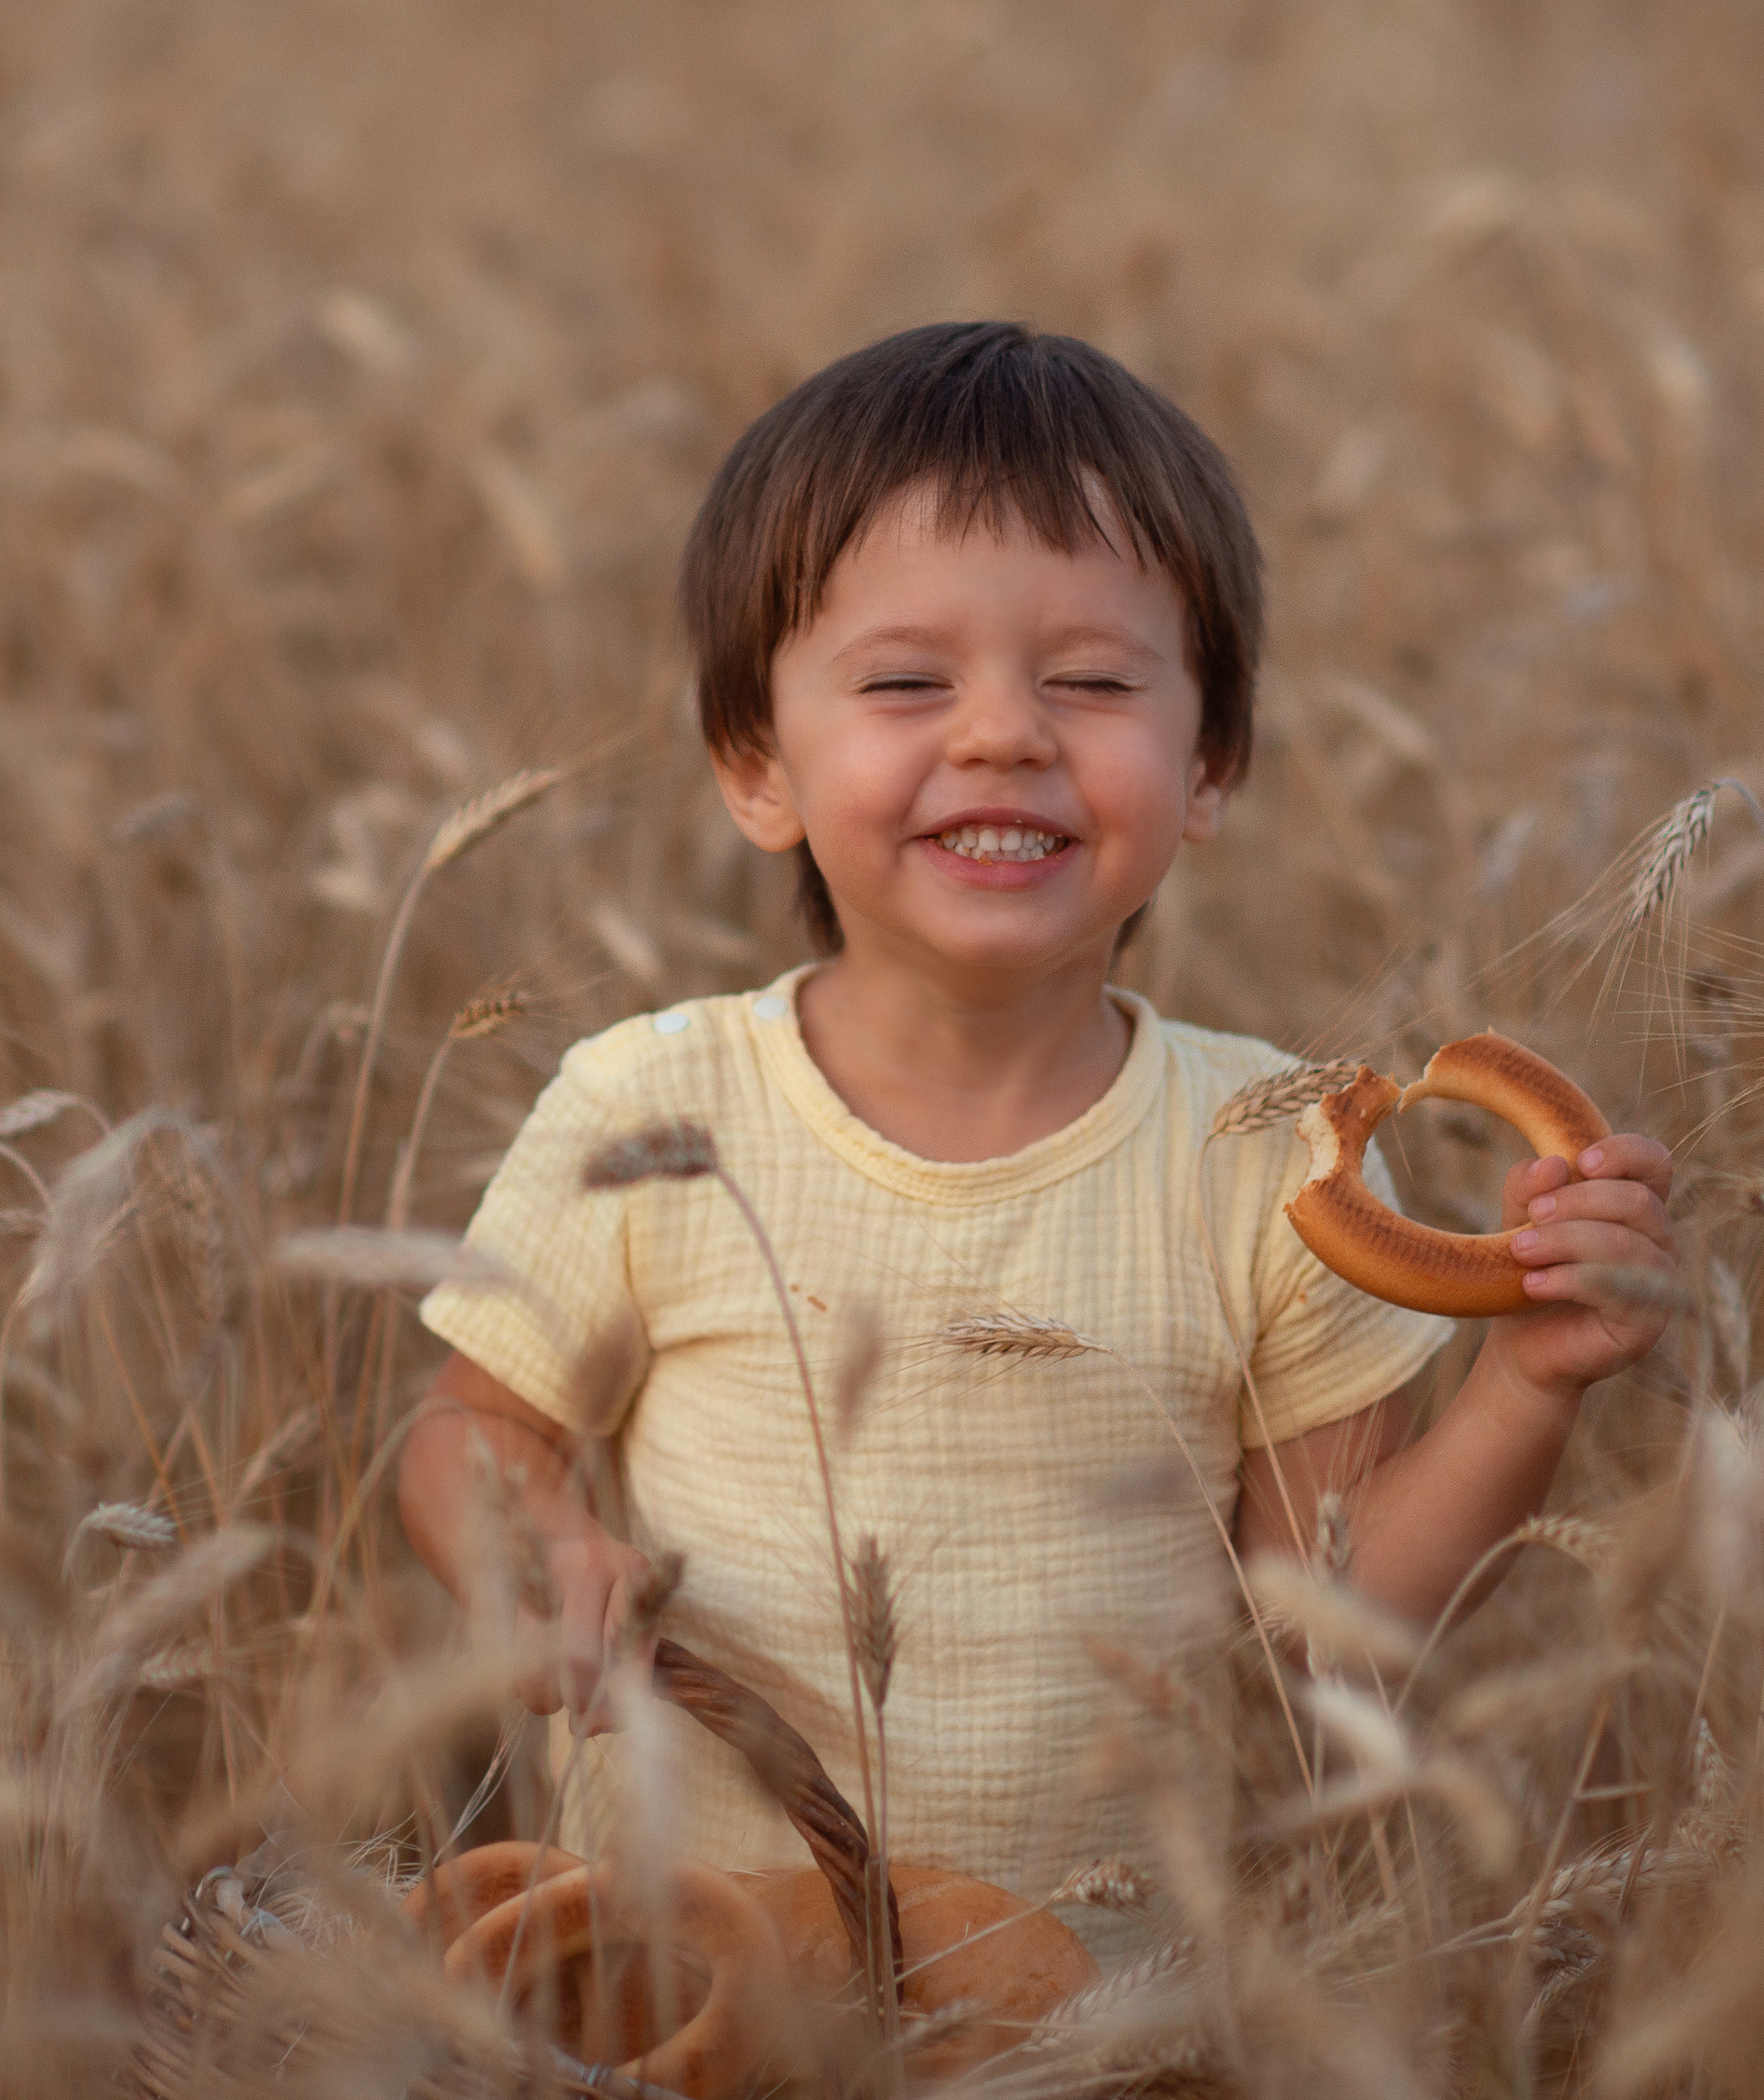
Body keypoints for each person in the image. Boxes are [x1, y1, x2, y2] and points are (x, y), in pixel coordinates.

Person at [397, 321, 1676, 1926]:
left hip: (1097, 2007)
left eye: (1087, 680)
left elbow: (1327, 1630)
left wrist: (1528, 1386)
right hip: (690, 1974)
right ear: (756, 767)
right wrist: (526, 1553)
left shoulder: (1268, 1153)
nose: (1003, 730)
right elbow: (468, 1436)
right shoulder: (654, 1109)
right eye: (907, 680)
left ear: (1207, 765)